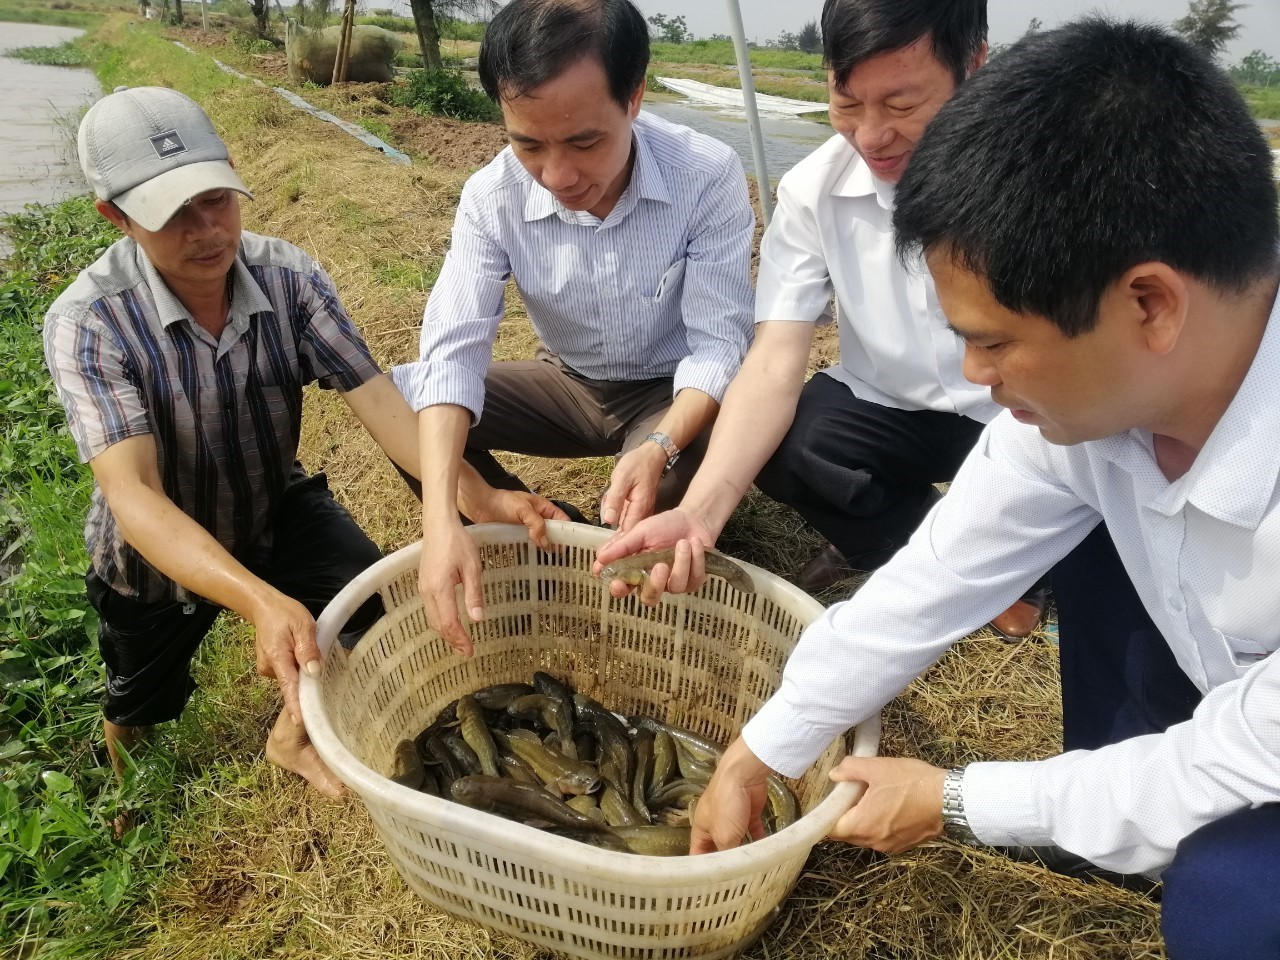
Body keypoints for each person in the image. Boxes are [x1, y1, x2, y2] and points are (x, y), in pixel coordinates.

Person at [690, 19, 1280, 960]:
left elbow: (1238, 758)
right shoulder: (1095, 414)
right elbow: (932, 577)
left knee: (1232, 903)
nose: (975, 373)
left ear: (1150, 304)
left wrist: (961, 799)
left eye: (996, 342)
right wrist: (761, 750)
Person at [43, 86, 559, 801]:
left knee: (374, 611)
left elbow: (379, 401)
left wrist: (478, 494)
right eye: (173, 216)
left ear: (230, 172)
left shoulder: (288, 278)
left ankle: (289, 734)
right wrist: (259, 602)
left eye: (215, 199)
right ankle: (126, 796)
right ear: (116, 217)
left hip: (270, 503)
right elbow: (133, 493)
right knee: (140, 702)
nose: (207, 232)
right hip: (154, 556)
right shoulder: (91, 322)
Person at [592, 0, 1044, 638]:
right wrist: (698, 513)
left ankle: (1004, 551)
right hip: (889, 408)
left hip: (1023, 411)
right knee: (788, 442)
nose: (871, 136)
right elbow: (775, 358)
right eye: (847, 103)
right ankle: (927, 543)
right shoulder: (811, 191)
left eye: (902, 105)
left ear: (974, 66)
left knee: (1073, 497)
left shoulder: (1046, 175)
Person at [392, 0, 755, 656]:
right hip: (566, 383)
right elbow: (454, 348)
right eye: (528, 144)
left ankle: (626, 524)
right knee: (403, 406)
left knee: (658, 501)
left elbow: (720, 343)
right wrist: (442, 513)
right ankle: (531, 525)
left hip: (666, 395)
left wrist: (661, 445)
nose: (558, 177)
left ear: (635, 98)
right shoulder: (491, 196)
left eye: (586, 142)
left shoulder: (707, 175)